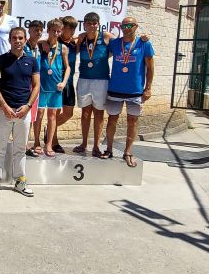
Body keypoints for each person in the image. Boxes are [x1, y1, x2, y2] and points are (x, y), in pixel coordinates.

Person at [0, 27, 40, 197]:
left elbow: (36, 86)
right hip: (3, 111)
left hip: (23, 112)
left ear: (25, 40)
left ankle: (20, 181)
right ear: (10, 40)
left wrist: (27, 106)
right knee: (0, 148)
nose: (17, 41)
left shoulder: (32, 61)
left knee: (20, 149)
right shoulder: (0, 60)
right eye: (14, 38)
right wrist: (4, 106)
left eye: (20, 38)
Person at [103, 17, 154, 167]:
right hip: (115, 89)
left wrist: (148, 88)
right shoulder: (115, 43)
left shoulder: (144, 44)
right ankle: (109, 149)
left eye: (129, 25)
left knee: (132, 121)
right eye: (123, 25)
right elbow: (102, 36)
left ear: (136, 26)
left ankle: (128, 152)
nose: (126, 27)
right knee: (112, 120)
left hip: (135, 91)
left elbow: (150, 68)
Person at [72, 12, 112, 157]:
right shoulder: (81, 38)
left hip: (101, 80)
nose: (92, 26)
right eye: (89, 23)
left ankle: (96, 145)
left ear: (98, 24)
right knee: (85, 113)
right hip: (84, 79)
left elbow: (123, 45)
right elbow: (70, 49)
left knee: (99, 113)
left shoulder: (106, 37)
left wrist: (143, 40)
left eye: (94, 23)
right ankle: (84, 143)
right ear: (84, 25)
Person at [31, 18, 70, 158]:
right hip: (41, 87)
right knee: (39, 115)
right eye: (53, 30)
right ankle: (36, 142)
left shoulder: (63, 48)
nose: (56, 33)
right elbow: (32, 42)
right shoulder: (40, 45)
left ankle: (49, 144)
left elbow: (68, 68)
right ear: (48, 31)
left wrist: (64, 82)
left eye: (58, 31)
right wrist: (42, 42)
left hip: (56, 88)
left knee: (52, 116)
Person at [50, 16, 79, 153]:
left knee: (68, 113)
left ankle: (49, 128)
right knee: (54, 113)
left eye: (74, 28)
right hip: (56, 82)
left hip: (68, 82)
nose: (72, 31)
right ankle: (53, 141)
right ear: (63, 28)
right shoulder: (55, 41)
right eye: (69, 28)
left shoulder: (75, 44)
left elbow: (85, 35)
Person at [24, 20, 43, 157]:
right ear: (29, 31)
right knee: (23, 115)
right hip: (24, 85)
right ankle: (22, 144)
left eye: (40, 30)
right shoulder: (24, 46)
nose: (38, 32)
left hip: (35, 86)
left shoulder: (40, 47)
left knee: (31, 116)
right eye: (35, 30)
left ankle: (26, 143)